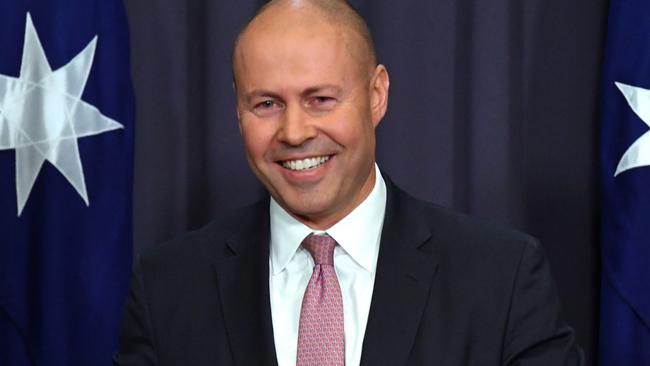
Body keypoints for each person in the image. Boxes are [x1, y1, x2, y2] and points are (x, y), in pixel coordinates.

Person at [113, 0, 584, 365]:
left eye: (319, 99)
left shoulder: (501, 280)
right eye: (267, 105)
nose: (294, 132)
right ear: (238, 111)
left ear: (376, 95)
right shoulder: (168, 288)